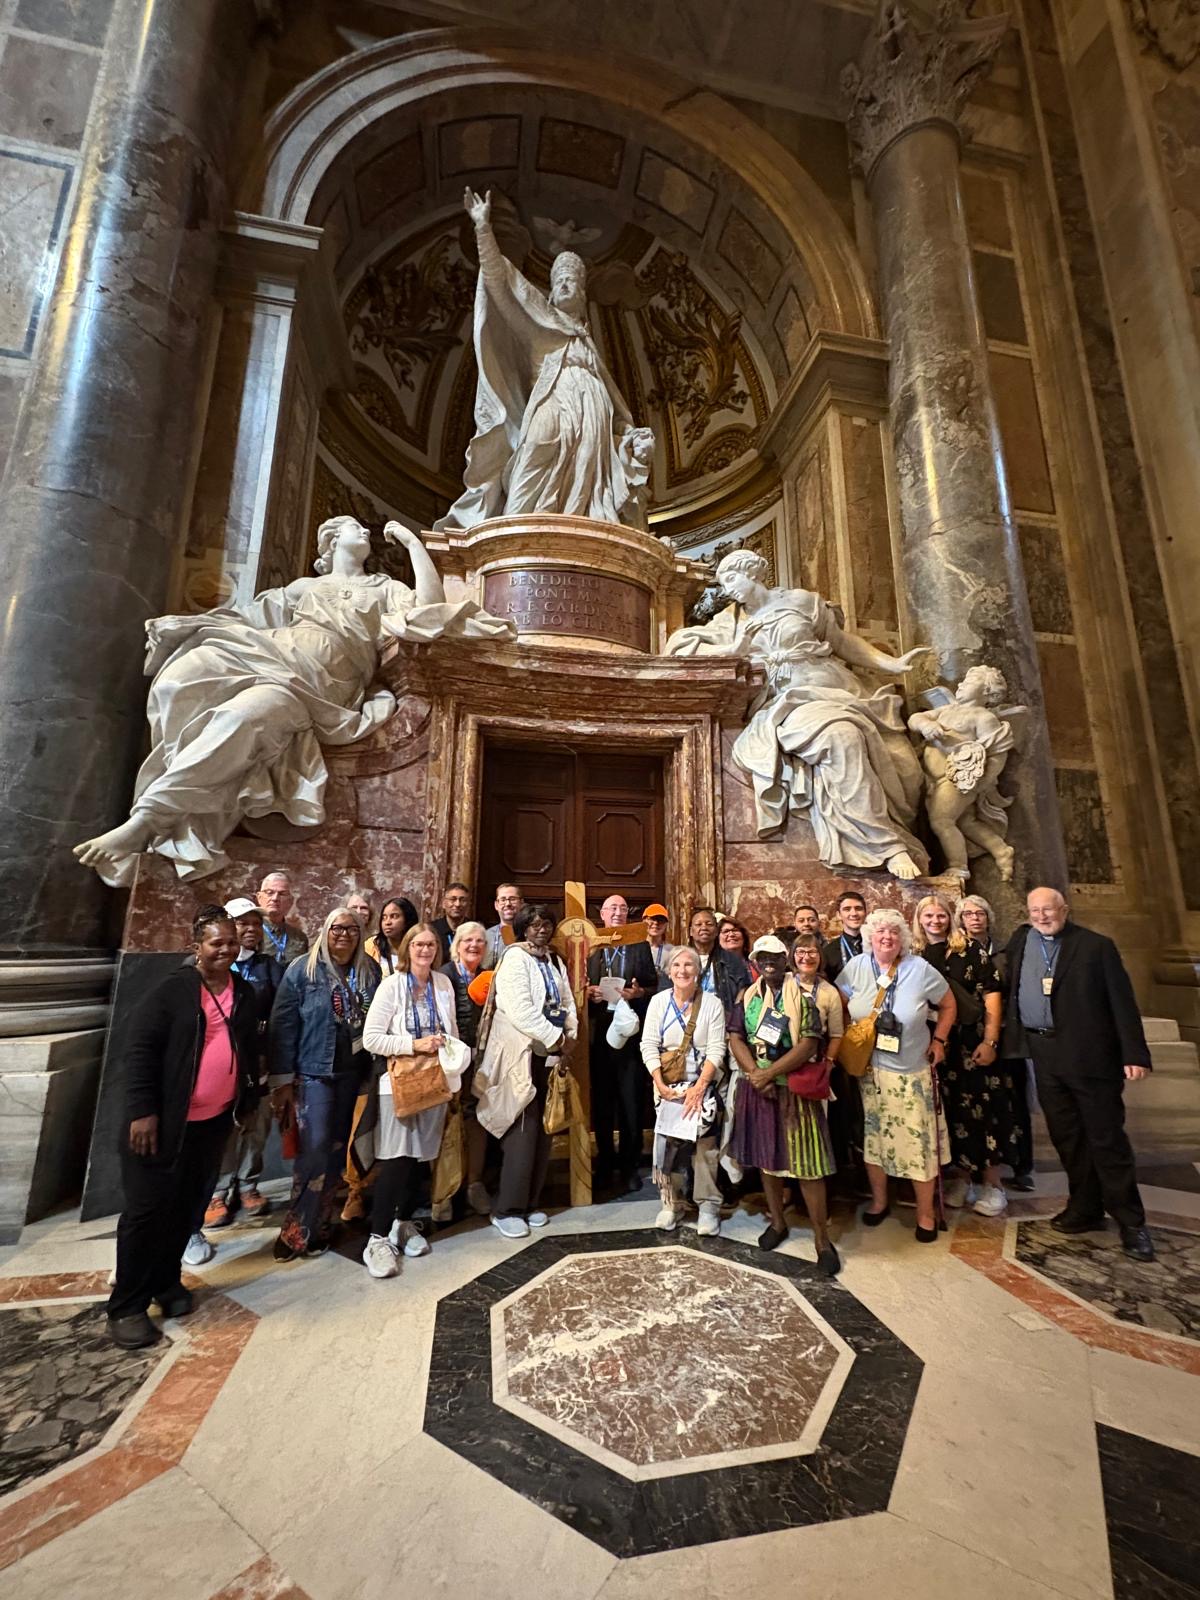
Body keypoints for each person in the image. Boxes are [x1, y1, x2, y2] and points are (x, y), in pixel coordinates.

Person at [73, 517, 512, 886]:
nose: (366, 531)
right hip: (269, 652)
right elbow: (244, 617)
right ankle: (155, 811)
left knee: (241, 718)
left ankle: (147, 820)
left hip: (320, 686)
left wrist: (414, 544)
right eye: (355, 527)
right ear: (333, 540)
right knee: (178, 679)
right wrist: (185, 625)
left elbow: (430, 608)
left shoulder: (383, 587)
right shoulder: (304, 588)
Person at [663, 548, 929, 878]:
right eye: (723, 583)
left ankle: (900, 831)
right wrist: (732, 650)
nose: (727, 589)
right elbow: (679, 649)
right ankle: (886, 845)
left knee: (907, 767)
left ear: (752, 574)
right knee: (841, 737)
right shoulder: (730, 622)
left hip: (839, 688)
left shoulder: (803, 602)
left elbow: (842, 642)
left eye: (731, 579)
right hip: (787, 703)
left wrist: (891, 664)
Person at [436, 187, 654, 532]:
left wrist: (630, 434)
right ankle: (513, 529)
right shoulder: (539, 322)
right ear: (550, 294)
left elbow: (616, 405)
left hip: (593, 410)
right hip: (552, 399)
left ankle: (583, 529)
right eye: (560, 281)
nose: (566, 285)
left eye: (572, 282)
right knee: (535, 450)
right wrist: (483, 230)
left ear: (583, 294)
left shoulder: (587, 343)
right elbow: (500, 284)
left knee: (588, 469)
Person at [106, 908, 260, 1349]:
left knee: (186, 1207)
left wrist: (247, 1101)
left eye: (232, 942)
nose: (227, 949)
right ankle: (127, 1306)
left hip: (212, 1121)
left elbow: (248, 1048)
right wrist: (143, 1111)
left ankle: (165, 1281)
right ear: (197, 947)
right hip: (163, 1123)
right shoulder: (172, 991)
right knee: (147, 1212)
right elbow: (140, 1050)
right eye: (217, 943)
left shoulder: (244, 992)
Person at [1002, 887, 1155, 1261]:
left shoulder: (1096, 947)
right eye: (1035, 910)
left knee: (1106, 1140)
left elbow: (1122, 1002)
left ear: (1065, 909)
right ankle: (1084, 1207)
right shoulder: (1022, 941)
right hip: (1044, 1053)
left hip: (1091, 1058)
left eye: (1048, 909)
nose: (1042, 916)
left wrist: (1134, 1053)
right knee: (1068, 1137)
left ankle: (1131, 1222)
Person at [838, 907, 956, 1242]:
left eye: (893, 931)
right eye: (880, 931)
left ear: (902, 937)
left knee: (918, 1143)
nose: (886, 937)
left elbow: (949, 1005)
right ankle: (879, 1201)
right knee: (874, 1140)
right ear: (869, 937)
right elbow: (838, 1003)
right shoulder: (856, 967)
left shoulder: (919, 969)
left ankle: (925, 1213)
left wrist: (939, 1040)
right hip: (870, 1073)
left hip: (910, 1072)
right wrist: (849, 1038)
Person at [269, 907, 381, 1260]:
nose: (344, 934)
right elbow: (283, 1026)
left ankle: (320, 1225)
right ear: (325, 931)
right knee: (314, 1149)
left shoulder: (370, 971)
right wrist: (282, 1080)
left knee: (335, 1151)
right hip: (313, 1072)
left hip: (351, 1073)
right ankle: (294, 1231)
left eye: (352, 929)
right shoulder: (302, 970)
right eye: (337, 928)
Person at [727, 935, 840, 1274]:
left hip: (795, 1089)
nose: (769, 962)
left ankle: (822, 1240)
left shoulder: (803, 997)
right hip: (760, 1089)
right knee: (768, 1161)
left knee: (809, 1165)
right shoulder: (747, 996)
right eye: (762, 957)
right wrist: (754, 1073)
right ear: (755, 962)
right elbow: (735, 1036)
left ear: (785, 959)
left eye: (775, 956)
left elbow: (809, 1042)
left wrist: (770, 1073)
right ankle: (777, 1223)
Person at [358, 923, 460, 1276]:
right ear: (407, 948)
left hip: (433, 1080)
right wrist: (413, 1044)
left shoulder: (442, 983)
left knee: (420, 1159)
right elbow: (372, 1038)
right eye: (418, 944)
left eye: (431, 944)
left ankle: (402, 1224)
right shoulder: (391, 986)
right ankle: (377, 1239)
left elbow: (452, 1030)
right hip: (398, 1082)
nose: (425, 950)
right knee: (397, 1158)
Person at [473, 904, 578, 1238]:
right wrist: (556, 1037)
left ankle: (531, 1203)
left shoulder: (553, 960)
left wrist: (571, 1033)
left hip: (549, 1054)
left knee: (544, 1130)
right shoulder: (515, 958)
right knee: (522, 1131)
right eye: (534, 925)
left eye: (546, 924)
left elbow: (567, 1000)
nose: (541, 929)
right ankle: (507, 1209)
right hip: (520, 1054)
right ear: (522, 928)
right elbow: (520, 1010)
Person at [912, 894, 1016, 1218]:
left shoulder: (969, 949)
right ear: (919, 920)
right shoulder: (914, 953)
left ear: (950, 918)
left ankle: (993, 1184)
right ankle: (963, 1178)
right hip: (934, 1043)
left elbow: (992, 996)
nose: (935, 921)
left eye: (941, 915)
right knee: (950, 1110)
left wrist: (990, 1040)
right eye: (928, 915)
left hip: (971, 1040)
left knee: (983, 1110)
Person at [201, 896, 284, 1230]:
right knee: (224, 1128)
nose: (250, 929)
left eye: (255, 923)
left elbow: (279, 1013)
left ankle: (249, 1183)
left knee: (257, 1123)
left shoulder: (269, 967)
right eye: (242, 923)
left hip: (258, 1059)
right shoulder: (209, 969)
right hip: (219, 1061)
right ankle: (219, 1190)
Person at [640, 948, 727, 1236]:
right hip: (667, 1086)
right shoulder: (658, 1002)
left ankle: (708, 1206)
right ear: (668, 971)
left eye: (689, 964)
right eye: (676, 965)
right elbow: (648, 1044)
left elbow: (717, 1048)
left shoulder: (712, 1004)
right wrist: (659, 1083)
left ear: (697, 970)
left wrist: (700, 1087)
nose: (682, 970)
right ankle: (672, 1203)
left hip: (702, 1084)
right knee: (669, 1146)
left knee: (705, 1147)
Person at [958, 894, 1035, 1193]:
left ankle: (1020, 1164)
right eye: (968, 914)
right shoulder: (957, 953)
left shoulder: (1005, 951)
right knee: (976, 1103)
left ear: (988, 917)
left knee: (1013, 1099)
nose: (975, 918)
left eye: (980, 913)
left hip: (1005, 1034)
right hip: (969, 1036)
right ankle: (977, 1164)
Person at [587, 892, 659, 1195]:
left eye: (622, 908)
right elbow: (575, 983)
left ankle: (630, 1166)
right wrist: (587, 993)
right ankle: (605, 1163)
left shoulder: (639, 943)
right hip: (598, 1032)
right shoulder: (591, 944)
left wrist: (638, 994)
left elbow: (653, 985)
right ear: (602, 914)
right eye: (611, 908)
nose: (617, 912)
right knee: (602, 1103)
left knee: (631, 1101)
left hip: (630, 1034)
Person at [442, 919, 492, 1216]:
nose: (473, 945)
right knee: (448, 1121)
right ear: (456, 946)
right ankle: (445, 1189)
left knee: (477, 1118)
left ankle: (474, 1183)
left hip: (480, 1060)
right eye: (467, 940)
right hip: (450, 1062)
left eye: (479, 941)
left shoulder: (489, 976)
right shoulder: (444, 976)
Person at [688, 906, 743, 1018]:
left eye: (709, 924)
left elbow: (743, 991)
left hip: (721, 1018)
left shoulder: (732, 960)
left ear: (717, 931)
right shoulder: (680, 959)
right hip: (687, 1018)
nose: (704, 927)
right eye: (698, 924)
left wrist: (734, 1022)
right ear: (691, 931)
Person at [258, 870, 308, 967]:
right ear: (259, 897)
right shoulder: (251, 933)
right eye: (269, 893)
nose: (275, 898)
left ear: (290, 901)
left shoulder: (299, 937)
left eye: (282, 894)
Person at [365, 896, 420, 976]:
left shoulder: (419, 946)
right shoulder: (371, 946)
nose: (387, 922)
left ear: (408, 919)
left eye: (394, 916)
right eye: (384, 918)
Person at [822, 890, 866, 983]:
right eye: (847, 909)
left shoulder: (878, 946)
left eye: (858, 908)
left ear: (865, 913)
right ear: (839, 915)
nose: (854, 913)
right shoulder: (828, 952)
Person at [484, 882, 525, 968]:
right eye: (503, 900)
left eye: (513, 899)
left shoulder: (530, 934)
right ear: (496, 905)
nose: (508, 904)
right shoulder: (486, 936)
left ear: (521, 903)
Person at [432, 881, 471, 964]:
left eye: (462, 900)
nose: (457, 904)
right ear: (443, 903)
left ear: (468, 904)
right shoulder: (432, 930)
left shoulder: (473, 930)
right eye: (453, 899)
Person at [642, 902, 677, 990]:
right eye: (652, 919)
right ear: (644, 921)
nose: (656, 923)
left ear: (666, 925)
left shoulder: (673, 951)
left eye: (661, 920)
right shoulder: (635, 949)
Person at [717, 918, 754, 987]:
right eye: (726, 931)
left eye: (735, 930)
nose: (731, 934)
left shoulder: (755, 964)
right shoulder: (713, 967)